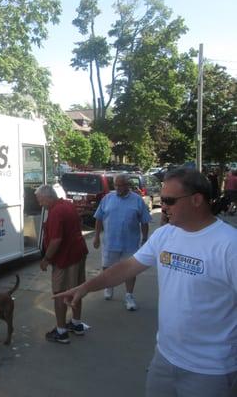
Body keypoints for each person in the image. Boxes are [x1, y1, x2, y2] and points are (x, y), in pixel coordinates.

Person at [55, 168, 237, 397]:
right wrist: (86, 287)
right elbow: (128, 267)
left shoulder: (229, 245)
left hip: (211, 371)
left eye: (169, 200)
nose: (164, 206)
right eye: (163, 200)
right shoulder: (165, 235)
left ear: (197, 200)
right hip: (164, 358)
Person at [35, 184, 88, 344]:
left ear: (47, 197)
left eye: (40, 200)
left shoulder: (56, 212)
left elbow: (56, 240)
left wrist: (46, 259)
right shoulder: (67, 205)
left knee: (60, 293)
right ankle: (77, 324)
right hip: (78, 253)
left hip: (65, 259)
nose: (40, 204)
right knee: (76, 290)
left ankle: (61, 331)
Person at [93, 173, 151, 310]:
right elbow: (99, 218)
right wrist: (96, 237)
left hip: (130, 243)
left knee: (130, 271)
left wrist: (145, 239)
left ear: (128, 185)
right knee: (107, 267)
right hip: (110, 242)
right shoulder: (107, 198)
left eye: (121, 185)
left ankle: (129, 295)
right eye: (116, 185)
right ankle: (109, 286)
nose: (118, 188)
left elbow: (144, 221)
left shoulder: (137, 200)